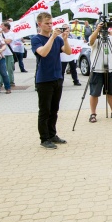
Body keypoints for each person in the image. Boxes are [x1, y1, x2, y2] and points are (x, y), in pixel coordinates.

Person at [31, 12, 71, 150]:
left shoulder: (58, 39)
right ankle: (44, 138)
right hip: (44, 79)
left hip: (57, 77)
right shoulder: (36, 39)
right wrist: (53, 37)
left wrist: (65, 39)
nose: (50, 26)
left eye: (51, 23)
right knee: (45, 110)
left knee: (54, 109)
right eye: (47, 23)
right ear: (40, 24)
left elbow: (68, 52)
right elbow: (43, 52)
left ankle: (52, 134)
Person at [88, 21, 112, 122]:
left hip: (110, 69)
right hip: (97, 70)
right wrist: (97, 30)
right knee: (94, 93)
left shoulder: (111, 37)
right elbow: (91, 41)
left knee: (111, 92)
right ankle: (93, 113)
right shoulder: (95, 37)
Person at [0, 23, 17, 87]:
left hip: (9, 53)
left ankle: (11, 82)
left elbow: (8, 41)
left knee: (10, 68)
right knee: (1, 69)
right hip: (1, 53)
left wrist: (1, 39)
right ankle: (0, 82)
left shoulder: (11, 33)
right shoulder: (0, 34)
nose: (1, 27)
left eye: (2, 26)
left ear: (6, 27)